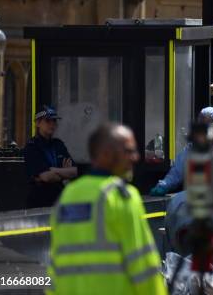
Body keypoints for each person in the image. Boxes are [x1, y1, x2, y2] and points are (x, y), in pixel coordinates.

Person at [47, 123, 167, 295]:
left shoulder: (68, 196)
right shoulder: (121, 196)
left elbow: (55, 267)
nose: (135, 157)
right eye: (128, 151)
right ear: (105, 154)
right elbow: (144, 266)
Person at [150, 107, 213, 196]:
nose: (203, 127)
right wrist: (163, 185)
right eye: (200, 122)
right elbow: (177, 171)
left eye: (207, 123)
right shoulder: (192, 148)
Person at [23, 106, 77, 208]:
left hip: (59, 200)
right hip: (39, 201)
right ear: (38, 123)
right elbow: (46, 177)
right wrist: (64, 173)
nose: (52, 124)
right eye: (48, 121)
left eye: (54, 121)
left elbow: (74, 171)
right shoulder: (32, 147)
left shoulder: (58, 144)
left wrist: (54, 170)